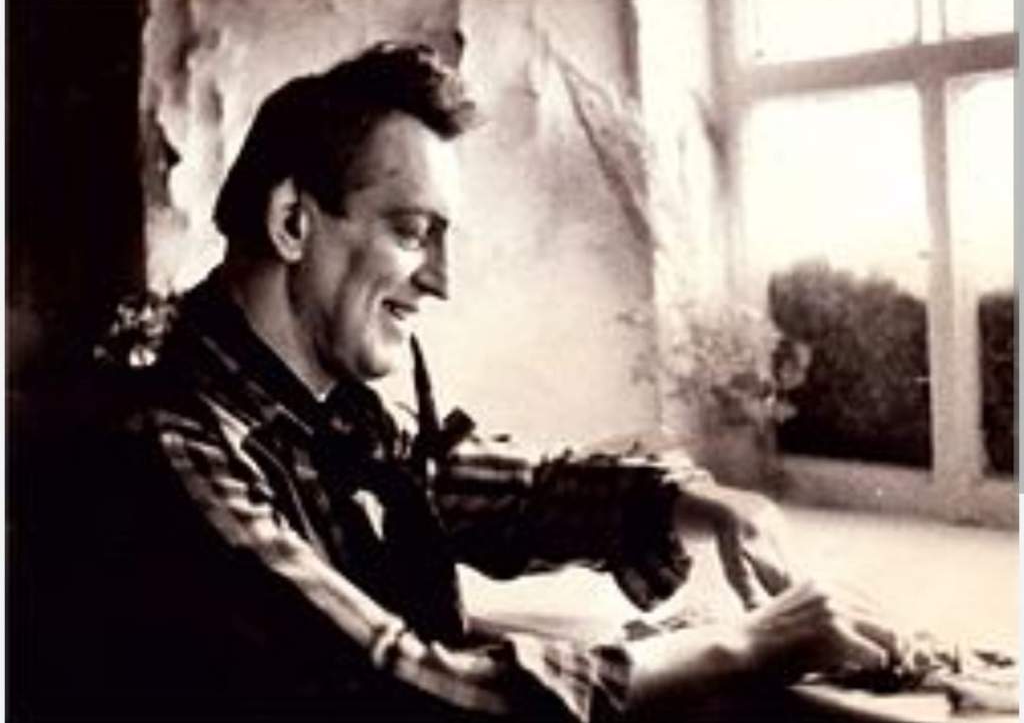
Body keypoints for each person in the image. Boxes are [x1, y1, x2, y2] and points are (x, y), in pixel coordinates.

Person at [40, 41, 904, 722]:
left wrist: (691, 502)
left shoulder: (326, 410)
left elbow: (490, 490)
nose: (441, 282)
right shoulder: (172, 444)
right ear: (293, 222)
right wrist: (746, 646)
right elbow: (403, 689)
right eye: (413, 233)